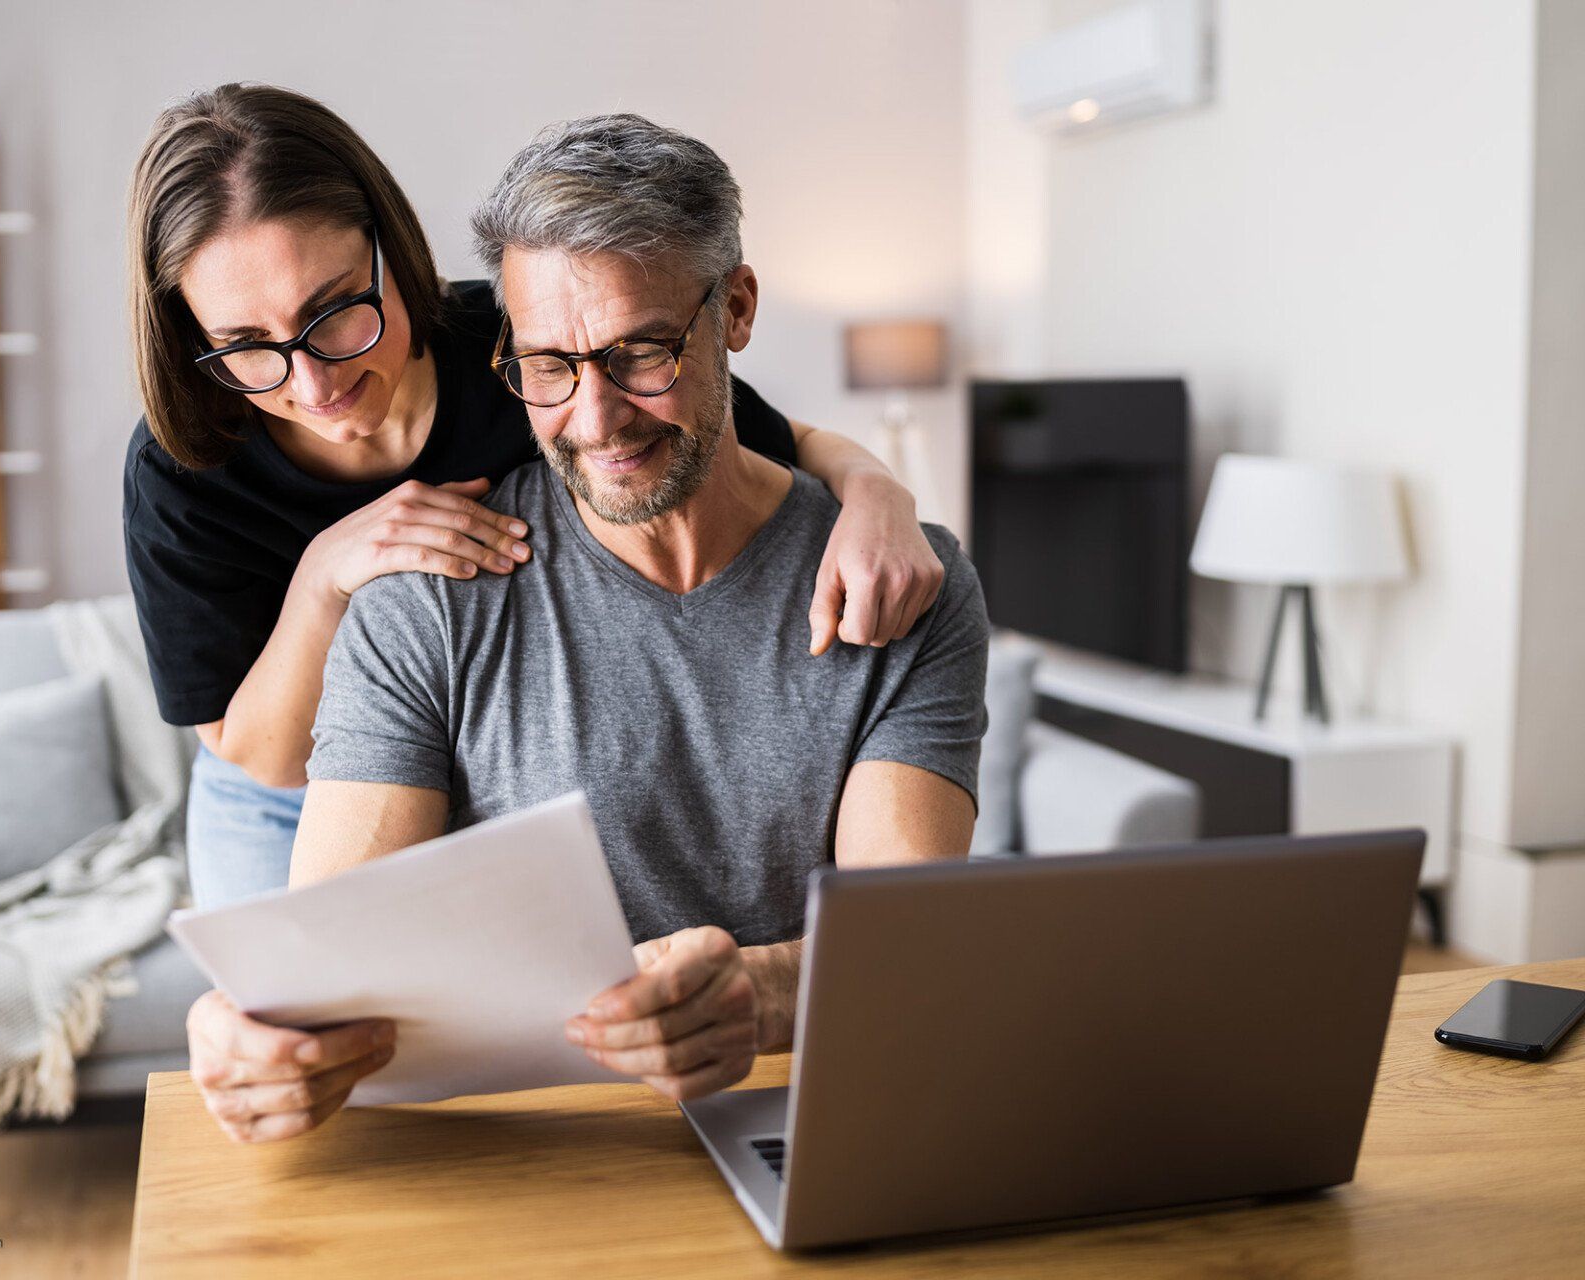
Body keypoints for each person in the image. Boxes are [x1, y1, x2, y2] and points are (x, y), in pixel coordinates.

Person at [185, 114, 989, 1144]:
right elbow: (329, 968)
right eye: (548, 365)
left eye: (640, 352)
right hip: (533, 1161)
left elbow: (910, 943)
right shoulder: (424, 596)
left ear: (735, 310)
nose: (597, 418)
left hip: (810, 1128)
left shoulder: (897, 583)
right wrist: (240, 1029)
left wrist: (766, 994)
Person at [123, 84, 951, 910]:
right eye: (245, 345)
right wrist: (324, 575)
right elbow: (258, 755)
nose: (314, 380)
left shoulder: (533, 343)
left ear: (391, 251)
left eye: (336, 311)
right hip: (280, 793)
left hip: (443, 752)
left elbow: (770, 440)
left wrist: (878, 495)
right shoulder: (186, 462)